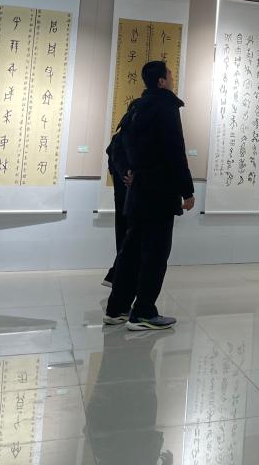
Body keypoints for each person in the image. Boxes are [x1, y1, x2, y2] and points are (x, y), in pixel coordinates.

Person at [104, 60, 195, 331]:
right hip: (160, 194)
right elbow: (175, 150)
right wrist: (187, 190)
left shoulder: (136, 107)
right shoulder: (166, 106)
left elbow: (117, 145)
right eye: (170, 74)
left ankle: (117, 309)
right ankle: (143, 312)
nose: (173, 78)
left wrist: (127, 171)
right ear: (161, 81)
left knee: (131, 253)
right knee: (155, 254)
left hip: (138, 194)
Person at [102, 99, 138, 288]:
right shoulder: (124, 138)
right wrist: (129, 176)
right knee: (128, 237)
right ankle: (117, 277)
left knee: (126, 237)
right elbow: (123, 169)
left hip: (125, 197)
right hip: (128, 198)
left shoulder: (120, 137)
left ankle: (116, 276)